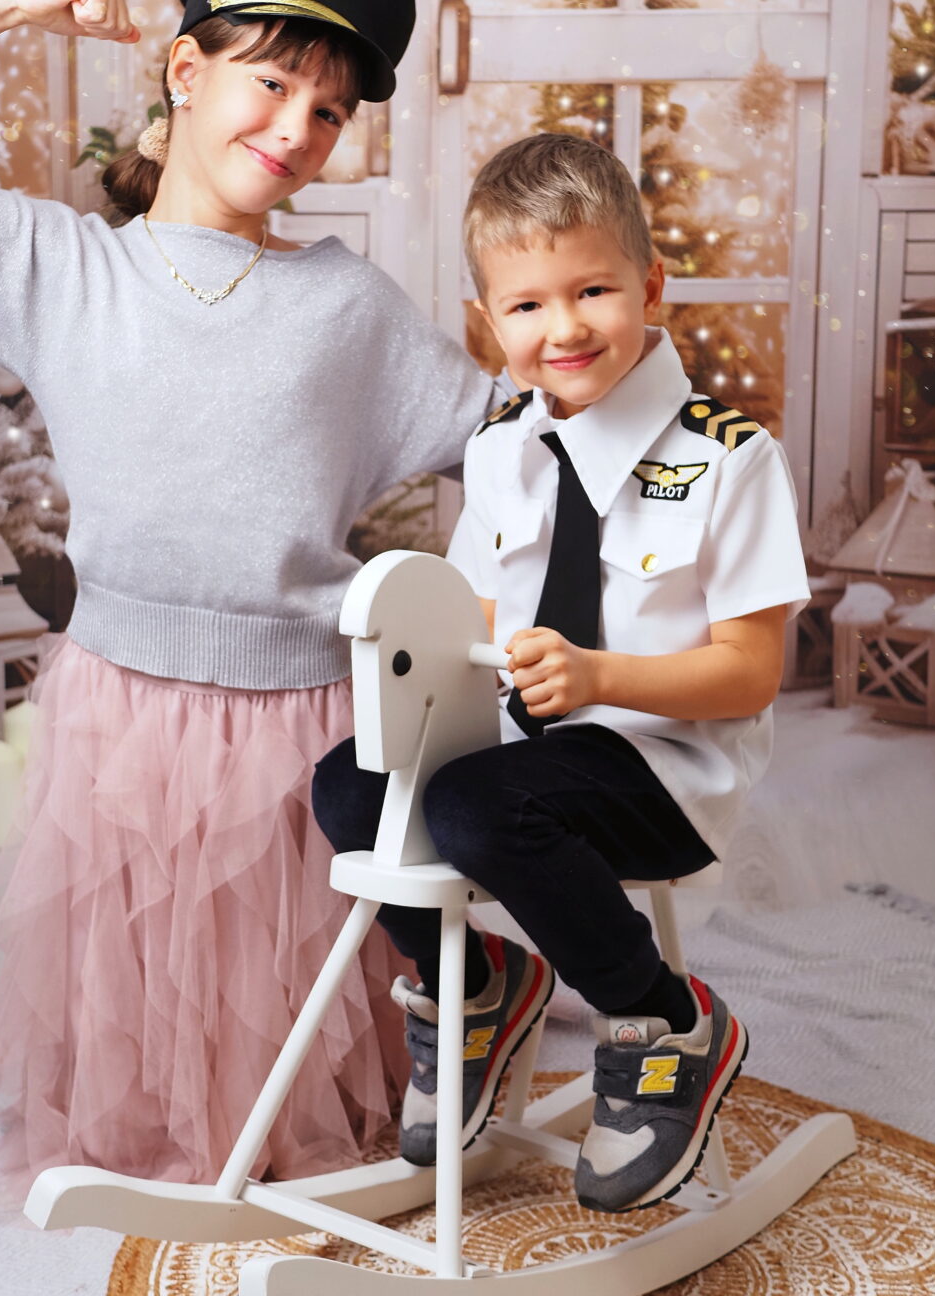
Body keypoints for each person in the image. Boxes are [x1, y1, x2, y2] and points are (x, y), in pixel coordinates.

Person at [0, 0, 504, 1202]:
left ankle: (382, 1100)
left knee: (290, 1002)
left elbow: (514, 445)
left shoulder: (349, 305)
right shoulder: (60, 267)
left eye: (329, 111)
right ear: (184, 71)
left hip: (306, 719)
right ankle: (169, 1174)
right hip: (122, 708)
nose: (296, 130)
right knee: (145, 986)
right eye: (271, 83)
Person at [312, 131, 809, 1212]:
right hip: (530, 746)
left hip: (665, 768)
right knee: (348, 785)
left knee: (478, 807)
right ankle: (478, 994)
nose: (565, 327)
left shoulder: (729, 457)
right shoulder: (503, 448)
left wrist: (598, 679)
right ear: (489, 323)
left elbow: (749, 673)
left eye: (593, 290)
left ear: (651, 285)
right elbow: (479, 612)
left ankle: (666, 1020)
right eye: (528, 304)